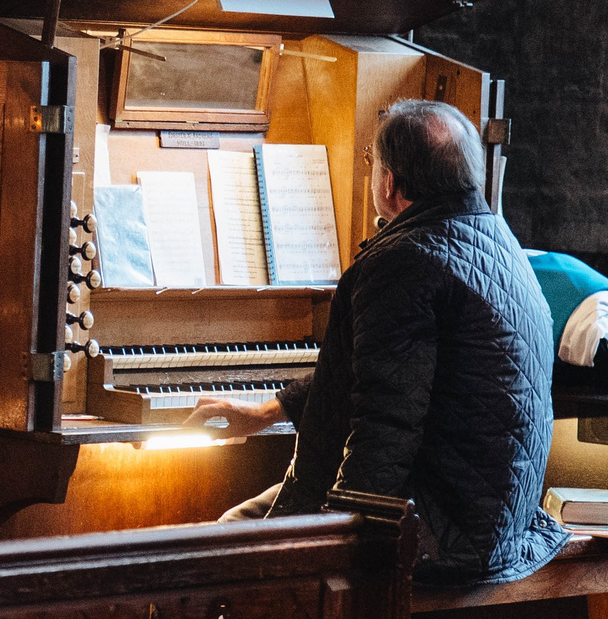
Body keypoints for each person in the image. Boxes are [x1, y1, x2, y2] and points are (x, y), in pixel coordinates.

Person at [197, 100, 566, 586]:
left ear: (389, 183)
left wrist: (338, 544)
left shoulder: (405, 260)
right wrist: (268, 412)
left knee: (227, 537)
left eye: (371, 161)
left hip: (442, 532)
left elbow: (387, 423)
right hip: (499, 521)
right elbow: (384, 370)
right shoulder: (497, 242)